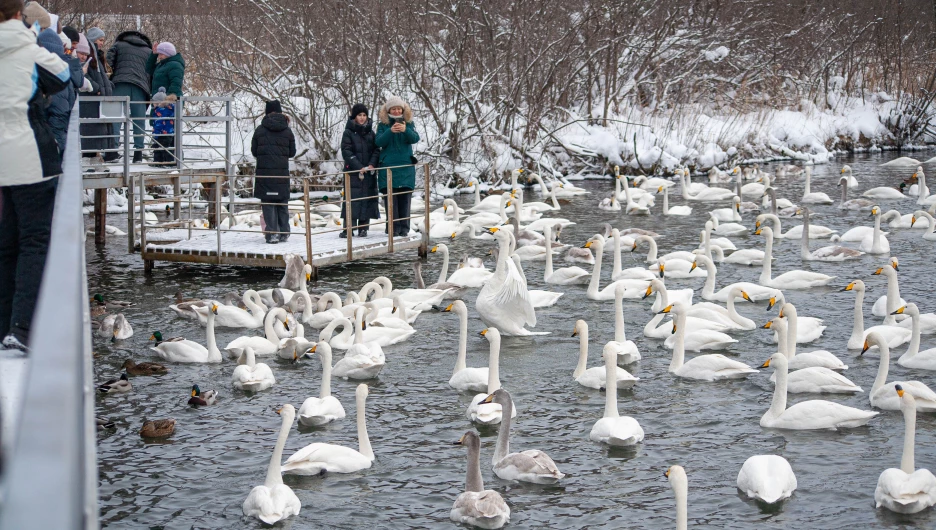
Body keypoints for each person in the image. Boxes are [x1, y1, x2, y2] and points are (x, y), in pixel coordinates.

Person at [0, 0, 71, 352]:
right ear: (20, 16)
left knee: (5, 243)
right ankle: (24, 326)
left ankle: (4, 325)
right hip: (30, 156)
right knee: (34, 241)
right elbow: (62, 76)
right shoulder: (29, 49)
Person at [251, 100, 296, 244]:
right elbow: (292, 152)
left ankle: (272, 234)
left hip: (265, 174)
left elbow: (254, 151)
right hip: (281, 173)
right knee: (282, 201)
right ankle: (284, 232)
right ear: (280, 111)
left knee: (268, 203)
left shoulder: (259, 130)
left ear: (267, 112)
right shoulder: (287, 131)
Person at [375, 95, 419, 236]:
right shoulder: (383, 125)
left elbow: (415, 138)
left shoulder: (409, 123)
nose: (396, 111)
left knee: (405, 199)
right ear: (388, 110)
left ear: (402, 109)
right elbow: (378, 142)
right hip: (388, 167)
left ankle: (404, 229)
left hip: (405, 167)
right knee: (390, 199)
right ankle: (393, 229)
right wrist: (390, 131)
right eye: (393, 109)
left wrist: (405, 130)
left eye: (398, 108)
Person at [106, 28, 152, 163]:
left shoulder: (118, 45)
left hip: (119, 84)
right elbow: (151, 72)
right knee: (139, 121)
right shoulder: (148, 51)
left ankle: (113, 151)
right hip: (140, 87)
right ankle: (138, 154)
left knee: (115, 118)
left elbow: (108, 62)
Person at [37, 26, 84, 153]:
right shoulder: (56, 76)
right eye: (67, 50)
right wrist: (60, 146)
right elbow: (59, 113)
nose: (69, 53)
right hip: (53, 138)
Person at [340, 103, 379, 238]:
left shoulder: (371, 133)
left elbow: (376, 150)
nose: (362, 118)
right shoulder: (348, 132)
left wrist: (372, 164)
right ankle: (348, 229)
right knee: (351, 199)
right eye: (359, 115)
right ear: (354, 117)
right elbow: (346, 151)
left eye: (364, 115)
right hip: (353, 172)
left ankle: (363, 228)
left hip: (368, 172)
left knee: (366, 199)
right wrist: (358, 167)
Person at [77, 32, 116, 165]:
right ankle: (88, 159)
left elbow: (99, 76)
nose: (102, 43)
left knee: (98, 129)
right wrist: (97, 88)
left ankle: (94, 158)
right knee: (91, 129)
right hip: (90, 100)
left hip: (98, 99)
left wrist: (108, 85)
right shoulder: (87, 54)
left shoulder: (97, 56)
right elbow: (83, 76)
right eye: (100, 40)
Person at [150, 87, 176, 165]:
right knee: (167, 149)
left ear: (159, 103)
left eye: (154, 102)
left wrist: (155, 135)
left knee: (158, 148)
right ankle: (169, 162)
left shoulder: (159, 111)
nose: (153, 104)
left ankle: (158, 162)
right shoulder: (168, 109)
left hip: (161, 133)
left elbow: (159, 125)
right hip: (169, 132)